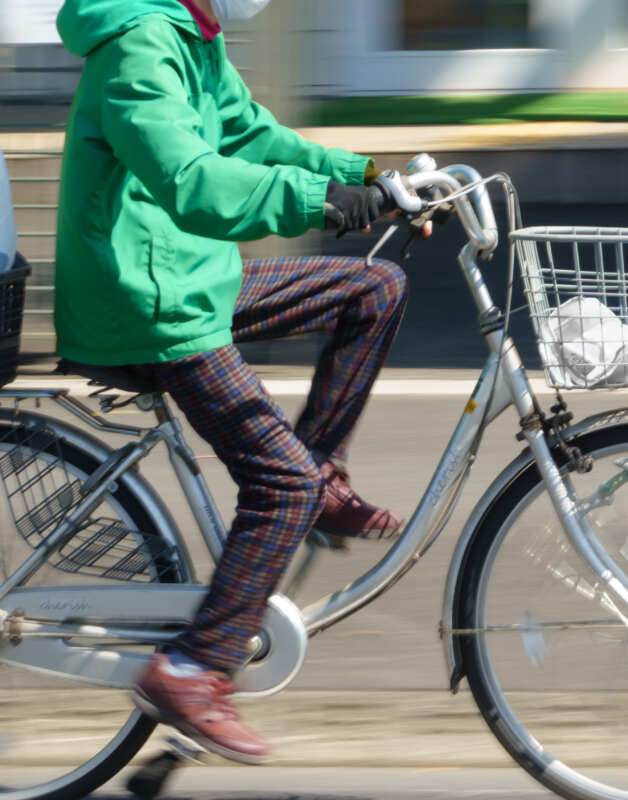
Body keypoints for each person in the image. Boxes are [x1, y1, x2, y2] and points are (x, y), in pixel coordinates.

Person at [54, 0, 410, 763]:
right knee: (277, 481)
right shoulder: (138, 46)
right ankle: (190, 668)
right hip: (146, 300)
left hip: (186, 276)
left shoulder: (193, 34)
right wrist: (323, 204)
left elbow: (249, 135)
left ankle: (320, 482)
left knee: (374, 288)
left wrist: (370, 177)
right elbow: (191, 182)